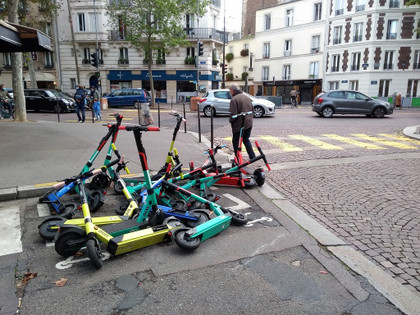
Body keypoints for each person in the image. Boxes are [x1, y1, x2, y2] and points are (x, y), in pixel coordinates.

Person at [229, 83, 255, 160]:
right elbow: (252, 110)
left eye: (230, 91)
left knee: (236, 142)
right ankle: (252, 156)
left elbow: (233, 114)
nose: (230, 92)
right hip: (249, 123)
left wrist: (231, 121)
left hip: (239, 125)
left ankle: (237, 159)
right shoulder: (247, 97)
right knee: (246, 139)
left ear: (233, 90)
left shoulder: (234, 99)